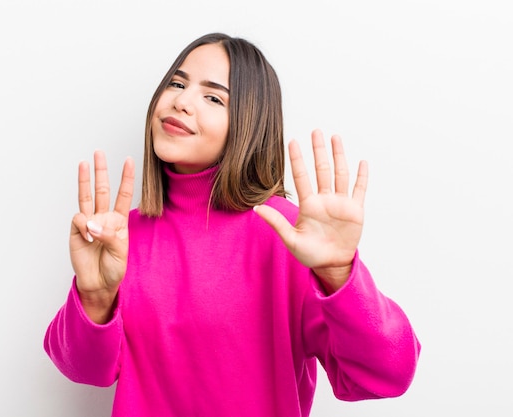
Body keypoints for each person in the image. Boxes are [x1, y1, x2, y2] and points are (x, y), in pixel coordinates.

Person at [44, 32, 420, 416]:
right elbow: (82, 370)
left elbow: (387, 374)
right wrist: (94, 296)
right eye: (177, 83)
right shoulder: (123, 238)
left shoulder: (290, 235)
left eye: (213, 97)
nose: (181, 101)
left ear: (248, 125)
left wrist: (340, 274)